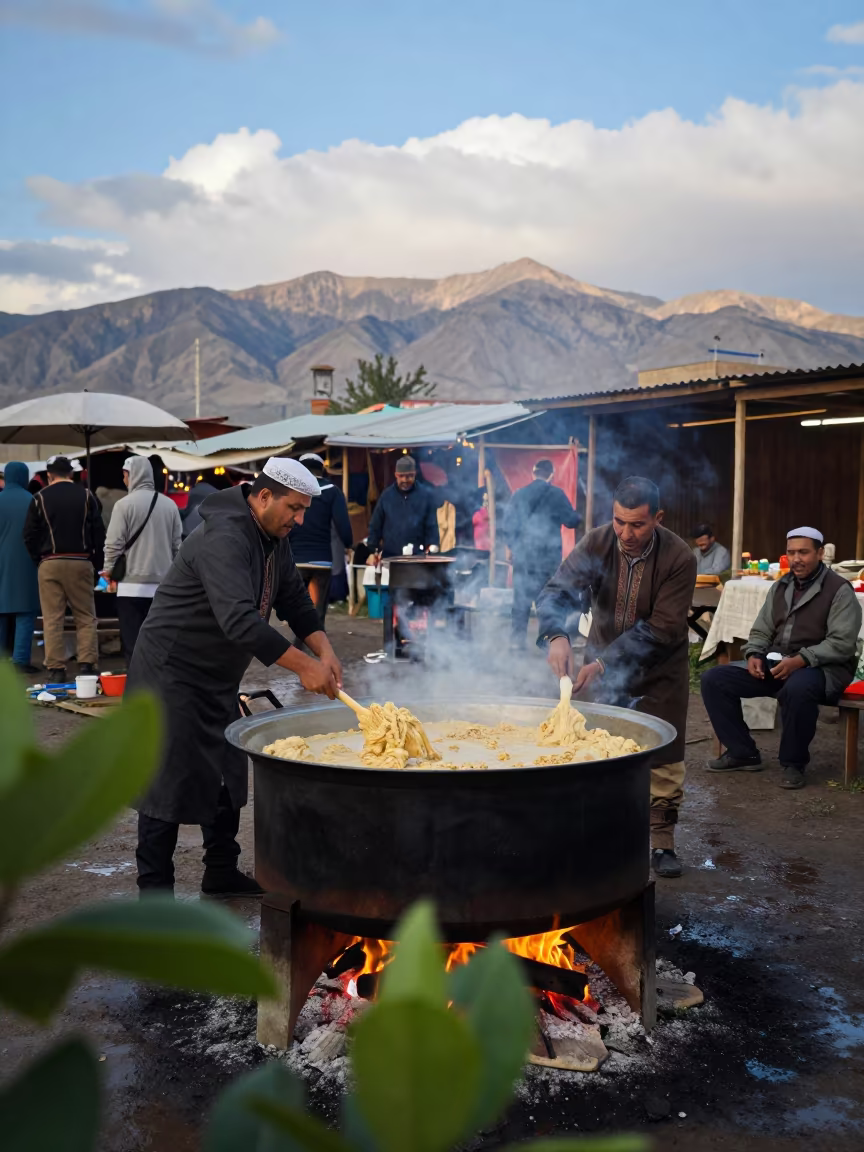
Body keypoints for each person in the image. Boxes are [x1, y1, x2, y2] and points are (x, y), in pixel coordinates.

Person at [129, 457, 342, 897]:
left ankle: (220, 872)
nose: (300, 520)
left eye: (305, 510)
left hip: (215, 677)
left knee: (226, 771)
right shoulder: (225, 537)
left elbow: (296, 601)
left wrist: (326, 650)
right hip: (171, 674)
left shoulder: (273, 538)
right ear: (263, 496)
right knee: (165, 784)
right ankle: (154, 899)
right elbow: (239, 622)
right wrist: (305, 667)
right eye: (295, 508)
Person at [537, 475, 696, 878]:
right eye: (619, 521)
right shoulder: (597, 541)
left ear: (657, 518)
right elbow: (556, 591)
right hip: (599, 662)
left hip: (660, 667)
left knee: (662, 755)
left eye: (637, 524)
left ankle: (661, 842)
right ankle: (597, 832)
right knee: (597, 744)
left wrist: (604, 662)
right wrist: (557, 635)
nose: (626, 533)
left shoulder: (679, 558)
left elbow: (663, 628)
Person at [701, 527, 861, 790]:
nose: (796, 558)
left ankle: (793, 763)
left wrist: (802, 659)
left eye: (804, 552)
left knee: (797, 688)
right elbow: (762, 629)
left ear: (820, 553)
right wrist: (753, 653)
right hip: (779, 663)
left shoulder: (839, 589)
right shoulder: (781, 586)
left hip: (823, 668)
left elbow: (842, 643)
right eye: (791, 552)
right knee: (714, 678)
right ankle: (743, 753)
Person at [22, 455, 105, 679]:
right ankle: (87, 664)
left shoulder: (39, 497)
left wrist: (38, 560)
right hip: (80, 561)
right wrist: (96, 565)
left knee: (52, 618)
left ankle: (56, 668)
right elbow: (99, 533)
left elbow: (29, 535)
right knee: (86, 616)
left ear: (49, 474)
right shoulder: (87, 496)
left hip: (49, 562)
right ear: (70, 473)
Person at [102, 456, 182, 663]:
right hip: (162, 589)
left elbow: (113, 544)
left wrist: (108, 570)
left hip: (130, 588)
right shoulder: (170, 505)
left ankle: (136, 690)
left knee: (133, 646)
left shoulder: (123, 505)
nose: (124, 480)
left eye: (125, 475)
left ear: (132, 475)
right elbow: (178, 548)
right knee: (159, 645)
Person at [503, 459, 582, 649]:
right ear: (551, 475)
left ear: (533, 473)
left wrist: (512, 548)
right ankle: (546, 643)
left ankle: (516, 643)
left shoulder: (519, 494)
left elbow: (508, 525)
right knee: (547, 601)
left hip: (523, 558)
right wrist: (578, 514)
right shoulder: (556, 494)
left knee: (520, 602)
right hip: (547, 561)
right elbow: (572, 521)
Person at [288, 453, 353, 628]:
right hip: (321, 561)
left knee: (298, 607)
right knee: (318, 611)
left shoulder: (292, 490)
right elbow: (343, 525)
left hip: (296, 560)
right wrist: (349, 544)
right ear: (322, 470)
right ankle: (316, 646)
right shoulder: (333, 491)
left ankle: (299, 643)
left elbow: (284, 521)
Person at [0, 462, 40, 673]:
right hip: (26, 562)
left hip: (1, 563)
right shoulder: (32, 501)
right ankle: (20, 660)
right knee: (25, 612)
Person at [366, 455, 440, 561]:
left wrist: (433, 548)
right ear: (396, 475)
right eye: (401, 476)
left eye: (409, 476)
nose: (405, 480)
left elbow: (432, 526)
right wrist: (372, 550)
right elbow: (375, 526)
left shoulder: (425, 496)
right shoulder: (386, 496)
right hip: (390, 557)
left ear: (415, 474)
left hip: (418, 558)